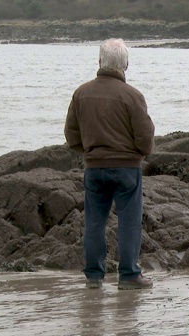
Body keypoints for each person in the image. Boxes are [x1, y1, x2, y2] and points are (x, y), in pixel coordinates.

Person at [64, 38, 155, 290]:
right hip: (127, 168)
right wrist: (138, 154)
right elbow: (145, 138)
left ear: (100, 61)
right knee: (129, 222)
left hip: (94, 167)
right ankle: (128, 276)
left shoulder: (81, 93)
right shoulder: (132, 96)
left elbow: (71, 134)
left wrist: (89, 152)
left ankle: (94, 276)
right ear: (125, 64)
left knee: (94, 222)